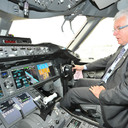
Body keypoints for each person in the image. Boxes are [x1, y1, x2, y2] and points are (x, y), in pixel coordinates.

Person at [60, 8, 128, 128]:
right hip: (108, 83)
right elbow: (108, 60)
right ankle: (77, 110)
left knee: (72, 94)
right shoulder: (123, 47)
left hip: (113, 93)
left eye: (118, 28)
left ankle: (58, 117)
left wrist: (102, 94)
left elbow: (126, 92)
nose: (114, 33)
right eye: (114, 29)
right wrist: (83, 67)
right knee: (80, 82)